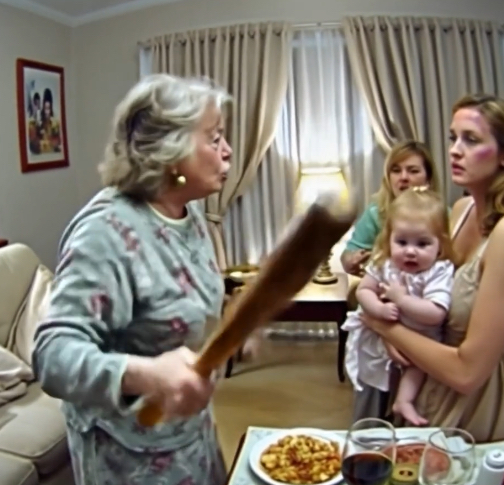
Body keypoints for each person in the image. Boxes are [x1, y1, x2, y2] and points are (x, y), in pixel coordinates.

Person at [32, 73, 233, 484]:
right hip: (128, 459)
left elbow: (178, 299)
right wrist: (144, 374)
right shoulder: (105, 233)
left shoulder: (186, 211)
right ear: (171, 152)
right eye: (214, 139)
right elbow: (52, 355)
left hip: (188, 436)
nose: (227, 151)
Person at [363, 94, 504, 443]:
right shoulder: (460, 210)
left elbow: (469, 373)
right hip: (432, 383)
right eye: (453, 138)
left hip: (478, 403)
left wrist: (382, 325)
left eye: (471, 140)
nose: (455, 150)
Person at [342, 187, 455, 425]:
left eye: (423, 244)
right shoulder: (385, 263)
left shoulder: (438, 271)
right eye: (401, 242)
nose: (410, 251)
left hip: (420, 343)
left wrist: (402, 300)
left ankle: (403, 401)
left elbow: (436, 313)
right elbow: (363, 291)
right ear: (388, 239)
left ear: (440, 245)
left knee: (417, 368)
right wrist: (379, 309)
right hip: (379, 341)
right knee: (373, 386)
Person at [340, 140, 440, 278]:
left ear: (428, 178)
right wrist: (351, 260)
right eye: (396, 171)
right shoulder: (375, 212)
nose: (403, 177)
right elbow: (348, 255)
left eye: (413, 171)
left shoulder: (443, 215)